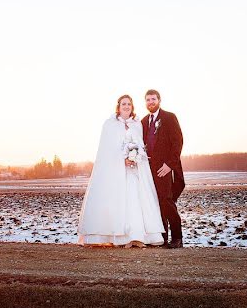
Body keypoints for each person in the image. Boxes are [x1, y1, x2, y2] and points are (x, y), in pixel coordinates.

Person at [77, 95, 165, 247]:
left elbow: (140, 145)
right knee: (118, 201)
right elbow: (105, 149)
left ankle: (136, 237)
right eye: (123, 104)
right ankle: (119, 237)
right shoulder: (109, 124)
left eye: (129, 104)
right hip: (115, 172)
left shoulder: (137, 124)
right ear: (118, 106)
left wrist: (136, 156)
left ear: (132, 106)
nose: (126, 106)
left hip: (134, 170)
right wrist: (121, 159)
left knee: (135, 201)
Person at [141, 89, 185, 248]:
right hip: (148, 168)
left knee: (167, 200)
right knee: (154, 202)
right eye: (148, 100)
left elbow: (178, 142)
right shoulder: (144, 121)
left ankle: (177, 238)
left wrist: (169, 165)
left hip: (164, 168)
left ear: (159, 100)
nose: (150, 102)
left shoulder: (169, 117)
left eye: (153, 99)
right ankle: (162, 238)